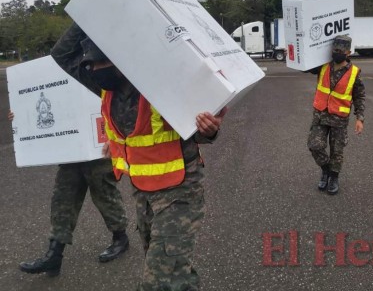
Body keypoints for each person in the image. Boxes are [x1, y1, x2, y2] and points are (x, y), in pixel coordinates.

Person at [51, 23, 226, 291]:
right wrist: (85, 17)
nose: (95, 70)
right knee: (174, 272)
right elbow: (61, 56)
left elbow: (199, 131)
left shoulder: (160, 84)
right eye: (92, 65)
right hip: (143, 195)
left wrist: (209, 130)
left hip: (180, 192)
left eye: (101, 63)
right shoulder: (103, 87)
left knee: (158, 281)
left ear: (123, 60)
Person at [8, 111, 129, 277]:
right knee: (62, 198)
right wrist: (22, 111)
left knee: (104, 194)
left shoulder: (101, 83)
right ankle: (54, 255)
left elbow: (117, 103)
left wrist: (114, 135)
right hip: (70, 149)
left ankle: (120, 237)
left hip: (98, 146)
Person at [307, 35, 365, 195]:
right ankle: (326, 170)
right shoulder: (323, 66)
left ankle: (333, 177)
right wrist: (292, 55)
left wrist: (359, 118)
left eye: (340, 51)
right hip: (320, 115)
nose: (336, 53)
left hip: (339, 118)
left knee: (337, 151)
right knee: (314, 145)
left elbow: (359, 96)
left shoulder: (354, 73)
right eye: (334, 50)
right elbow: (304, 66)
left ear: (348, 52)